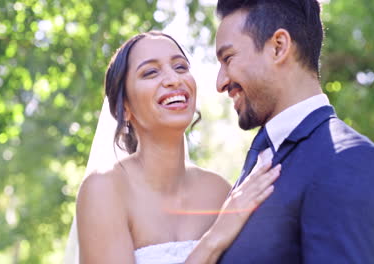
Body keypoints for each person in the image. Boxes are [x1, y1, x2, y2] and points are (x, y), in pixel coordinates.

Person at [71, 31, 281, 264]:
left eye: (180, 67)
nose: (173, 79)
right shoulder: (104, 189)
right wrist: (215, 239)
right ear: (126, 108)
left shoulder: (221, 192)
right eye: (150, 72)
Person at [214, 0, 374, 263]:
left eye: (228, 58)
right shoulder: (261, 160)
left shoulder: (348, 161)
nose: (220, 83)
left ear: (278, 47)